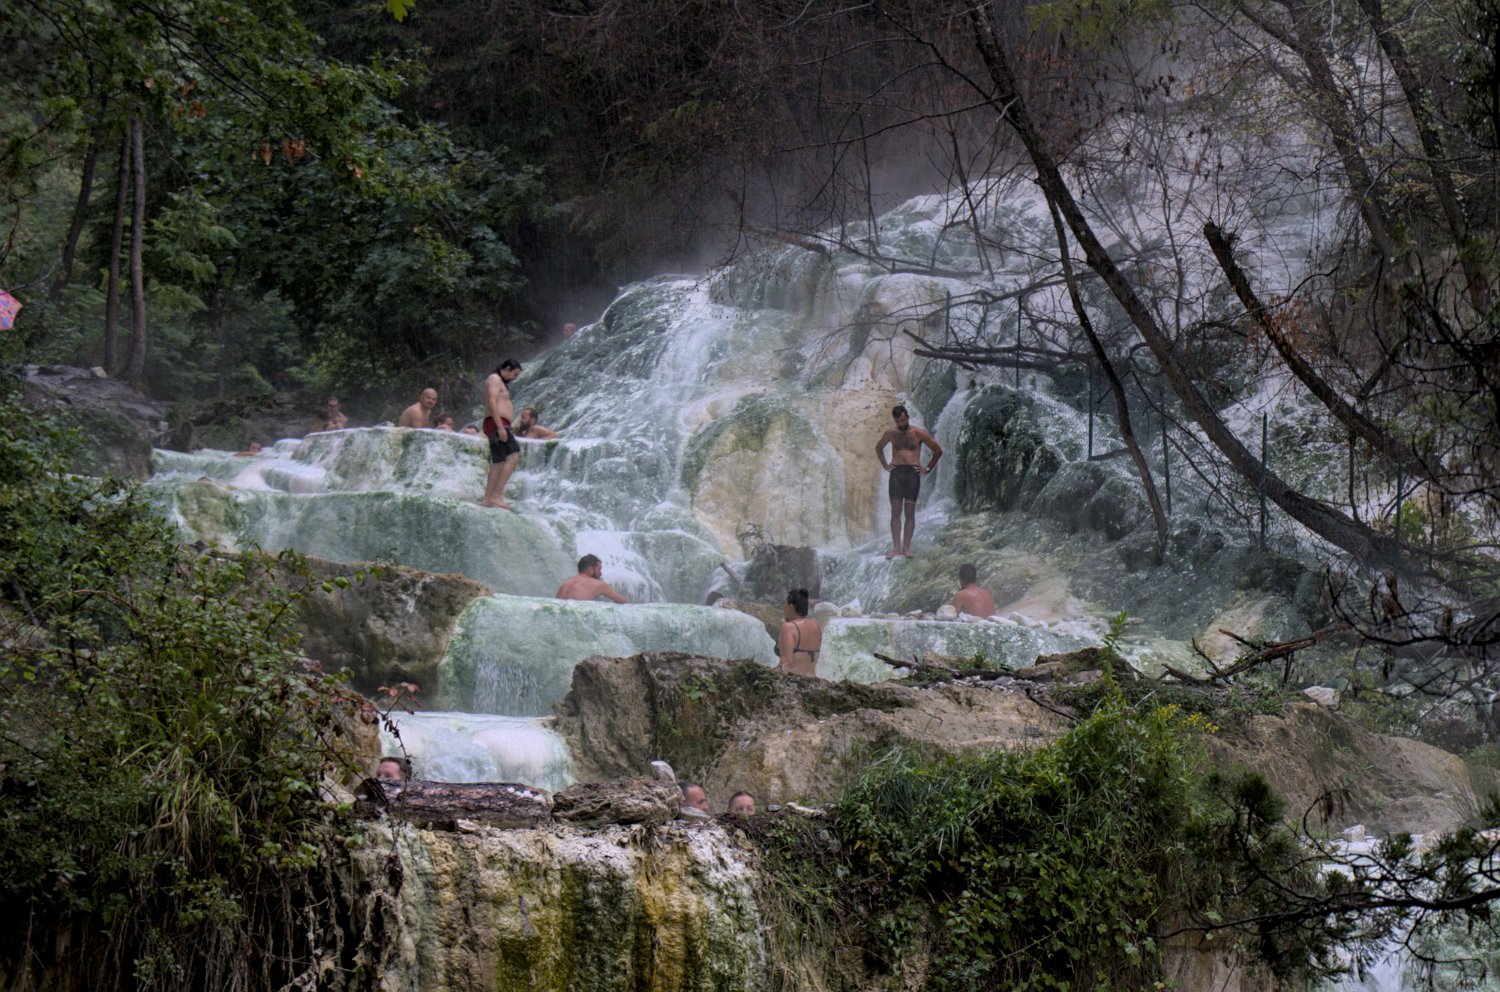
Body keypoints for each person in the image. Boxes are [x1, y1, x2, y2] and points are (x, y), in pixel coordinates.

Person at [875, 404, 942, 559]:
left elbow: (938, 450)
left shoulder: (918, 433)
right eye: (898, 421)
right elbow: (878, 448)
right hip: (896, 474)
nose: (901, 423)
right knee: (895, 512)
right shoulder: (891, 433)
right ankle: (896, 548)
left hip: (912, 474)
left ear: (907, 417)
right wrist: (885, 465)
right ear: (895, 420)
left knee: (909, 512)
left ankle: (906, 548)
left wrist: (928, 468)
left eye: (903, 420)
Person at [481, 359, 523, 509]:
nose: (515, 378)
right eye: (515, 374)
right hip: (497, 422)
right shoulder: (495, 378)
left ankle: (487, 499)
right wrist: (500, 427)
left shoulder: (498, 380)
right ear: (507, 368)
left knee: (499, 462)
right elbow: (492, 402)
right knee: (513, 457)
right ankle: (497, 495)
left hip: (495, 422)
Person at [778, 588, 821, 676]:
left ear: (791, 607)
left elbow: (786, 662)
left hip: (795, 680)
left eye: (784, 604)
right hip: (813, 679)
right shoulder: (816, 625)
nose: (784, 608)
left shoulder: (788, 627)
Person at [555, 554, 629, 603]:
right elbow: (625, 602)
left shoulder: (566, 583)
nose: (601, 573)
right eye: (599, 569)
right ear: (590, 569)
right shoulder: (599, 585)